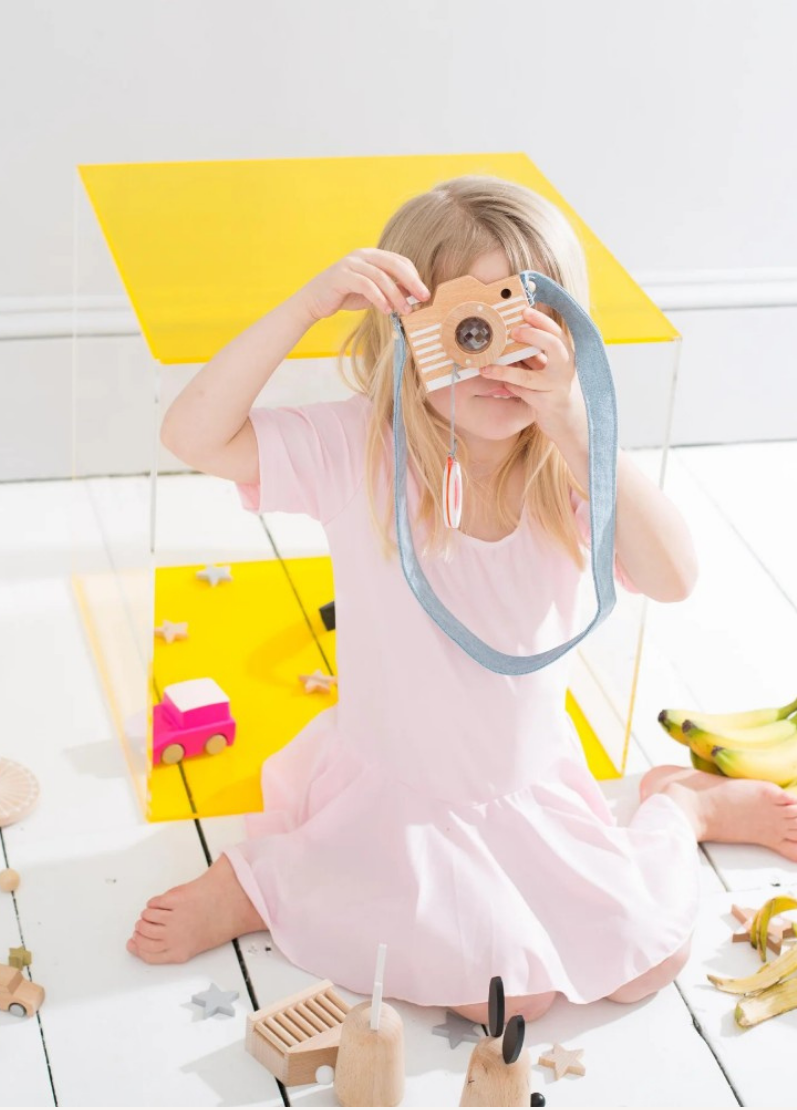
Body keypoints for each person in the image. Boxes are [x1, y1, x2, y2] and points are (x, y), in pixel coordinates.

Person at [127, 176, 797, 1023]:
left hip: (524, 785)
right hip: (397, 787)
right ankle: (263, 883)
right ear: (403, 326)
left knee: (647, 956)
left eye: (527, 325)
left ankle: (681, 807)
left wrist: (574, 422)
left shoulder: (569, 465)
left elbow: (675, 578)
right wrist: (308, 305)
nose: (494, 359)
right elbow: (191, 435)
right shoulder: (360, 448)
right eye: (466, 326)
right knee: (512, 999)